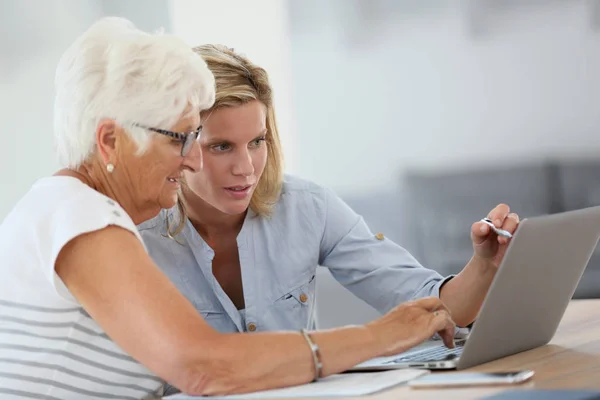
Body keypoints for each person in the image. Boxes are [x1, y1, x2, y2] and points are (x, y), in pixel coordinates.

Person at [0, 18, 457, 399]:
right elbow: (203, 366)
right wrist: (378, 336)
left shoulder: (70, 208)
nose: (193, 158)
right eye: (179, 138)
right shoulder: (81, 217)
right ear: (110, 140)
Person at [138, 44, 520, 337]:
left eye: (257, 141)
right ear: (179, 142)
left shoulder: (307, 207)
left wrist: (483, 266)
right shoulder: (135, 238)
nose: (246, 167)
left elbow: (437, 306)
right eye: (222, 146)